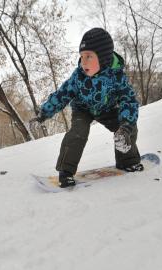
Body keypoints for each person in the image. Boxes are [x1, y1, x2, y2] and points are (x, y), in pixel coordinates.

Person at [30, 27, 143, 188]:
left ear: (103, 57)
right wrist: (43, 114)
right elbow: (61, 95)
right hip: (82, 109)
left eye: (89, 56)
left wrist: (126, 125)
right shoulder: (78, 77)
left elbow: (129, 101)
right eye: (81, 56)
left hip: (108, 109)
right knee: (78, 133)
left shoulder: (116, 76)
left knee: (126, 129)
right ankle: (66, 172)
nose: (83, 62)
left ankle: (128, 161)